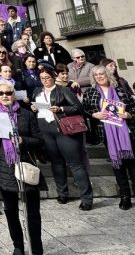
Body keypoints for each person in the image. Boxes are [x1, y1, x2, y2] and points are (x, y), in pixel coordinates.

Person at [0, 80, 48, 255]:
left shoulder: (26, 114)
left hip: (25, 164)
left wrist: (22, 140)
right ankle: (18, 247)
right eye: (0, 93)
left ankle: (37, 252)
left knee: (33, 212)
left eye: (8, 92)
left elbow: (40, 140)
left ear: (13, 93)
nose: (4, 96)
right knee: (10, 210)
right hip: (5, 165)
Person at [82, 66, 135, 215]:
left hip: (128, 134)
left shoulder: (121, 91)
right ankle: (125, 197)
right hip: (107, 135)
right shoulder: (90, 93)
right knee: (118, 167)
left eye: (102, 74)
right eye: (96, 75)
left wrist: (128, 115)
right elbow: (84, 109)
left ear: (108, 75)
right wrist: (95, 115)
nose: (99, 77)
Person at [30, 68, 94, 210]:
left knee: (75, 164)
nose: (45, 80)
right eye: (42, 78)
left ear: (53, 77)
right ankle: (62, 193)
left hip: (64, 129)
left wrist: (61, 109)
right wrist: (34, 108)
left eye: (47, 77)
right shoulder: (37, 91)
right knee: (56, 163)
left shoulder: (63, 90)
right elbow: (35, 108)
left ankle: (87, 198)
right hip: (45, 130)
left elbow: (78, 107)